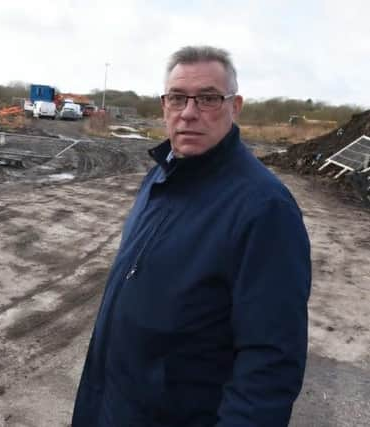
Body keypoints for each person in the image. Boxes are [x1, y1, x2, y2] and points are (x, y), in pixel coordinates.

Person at [72, 46, 311, 427]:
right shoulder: (160, 176)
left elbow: (270, 363)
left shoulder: (265, 210)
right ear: (164, 105)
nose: (189, 112)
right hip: (113, 405)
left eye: (209, 98)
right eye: (178, 98)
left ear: (236, 107)